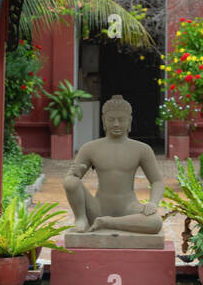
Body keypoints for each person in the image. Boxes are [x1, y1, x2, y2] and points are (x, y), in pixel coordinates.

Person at [63, 95, 164, 234]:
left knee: (155, 222)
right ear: (104, 121)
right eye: (111, 120)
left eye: (121, 120)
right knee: (70, 182)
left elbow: (157, 181)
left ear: (130, 121)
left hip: (129, 208)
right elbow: (72, 179)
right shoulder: (90, 148)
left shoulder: (142, 149)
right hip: (98, 208)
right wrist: (75, 173)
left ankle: (107, 222)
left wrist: (153, 202)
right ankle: (81, 219)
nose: (116, 124)